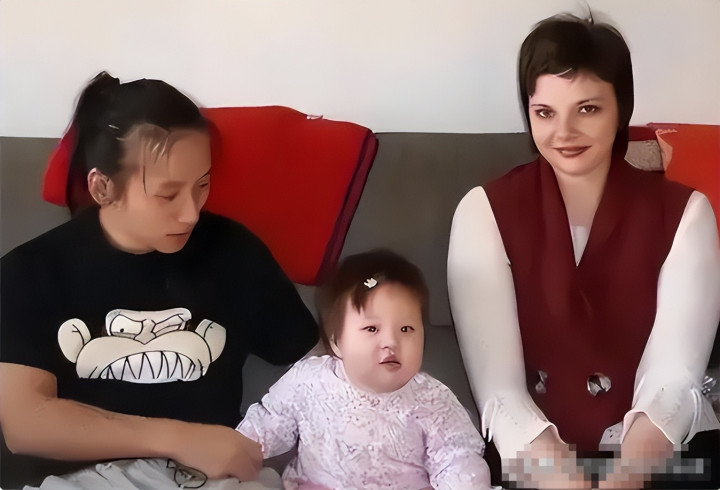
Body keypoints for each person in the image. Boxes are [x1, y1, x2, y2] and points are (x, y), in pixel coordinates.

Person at [0, 72, 319, 488]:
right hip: (74, 479)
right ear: (102, 187)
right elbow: (25, 423)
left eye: (202, 185)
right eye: (167, 194)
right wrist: (179, 439)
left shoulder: (235, 253)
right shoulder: (31, 271)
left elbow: (318, 364)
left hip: (204, 481)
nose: (190, 213)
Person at [447, 14, 720, 490]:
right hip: (533, 458)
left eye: (588, 109)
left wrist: (624, 479)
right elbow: (500, 394)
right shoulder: (482, 211)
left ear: (621, 109)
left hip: (658, 455)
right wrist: (568, 483)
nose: (564, 132)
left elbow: (674, 378)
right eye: (545, 113)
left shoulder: (687, 213)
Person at [237, 249, 492, 490]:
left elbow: (457, 458)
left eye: (406, 329)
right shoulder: (309, 381)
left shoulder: (433, 400)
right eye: (372, 329)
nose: (391, 342)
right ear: (337, 342)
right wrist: (235, 450)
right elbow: (269, 421)